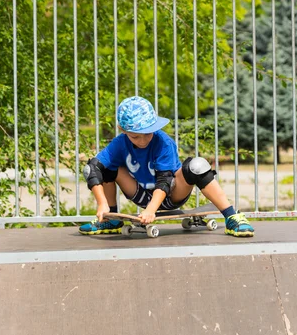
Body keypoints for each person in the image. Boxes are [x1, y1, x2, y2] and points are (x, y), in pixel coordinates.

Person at [79, 96, 254, 237]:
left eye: (147, 134)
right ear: (122, 129)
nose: (142, 141)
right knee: (106, 167)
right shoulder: (119, 144)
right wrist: (102, 204)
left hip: (172, 193)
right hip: (140, 193)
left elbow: (165, 180)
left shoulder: (163, 142)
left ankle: (232, 217)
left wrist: (151, 210)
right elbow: (92, 169)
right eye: (135, 137)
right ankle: (112, 220)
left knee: (197, 165)